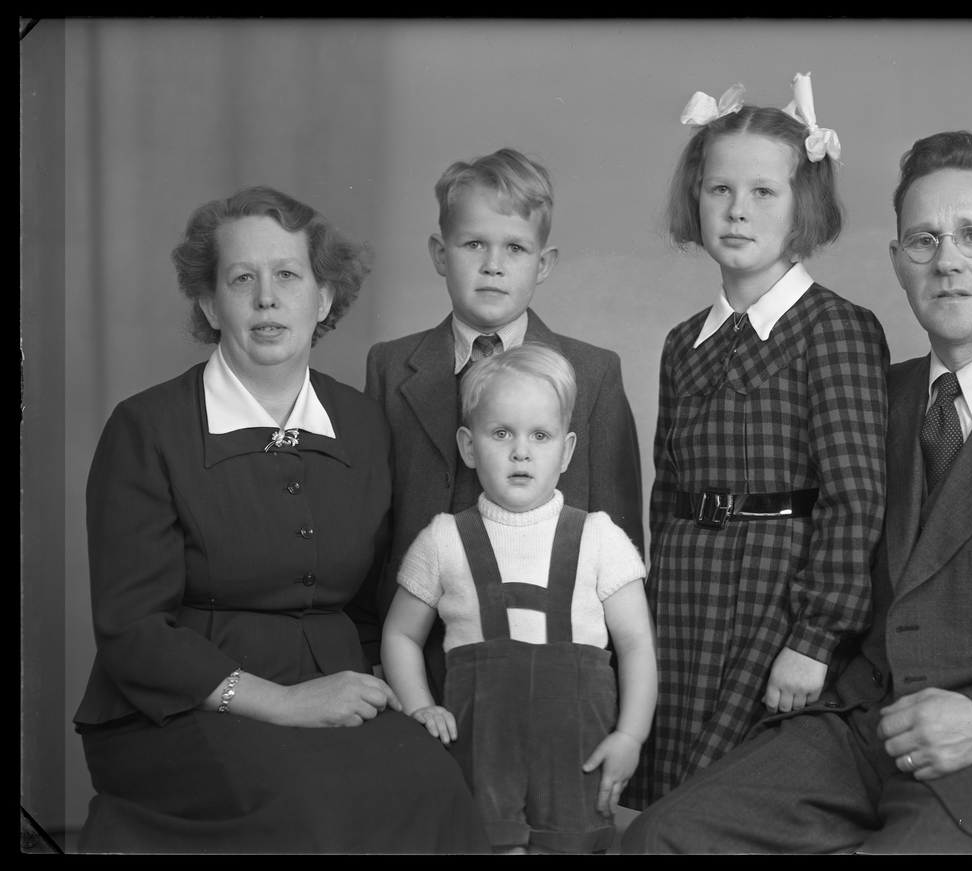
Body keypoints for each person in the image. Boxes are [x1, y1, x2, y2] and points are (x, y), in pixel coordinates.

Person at [624, 131, 972, 853]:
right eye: (924, 240)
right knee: (663, 836)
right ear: (897, 261)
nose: (947, 261)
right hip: (862, 729)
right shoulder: (876, 395)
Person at [73, 186, 490, 853]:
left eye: (288, 275)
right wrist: (287, 703)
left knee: (438, 789)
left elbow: (369, 603)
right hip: (177, 707)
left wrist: (363, 690)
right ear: (210, 304)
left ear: (323, 298)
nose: (267, 299)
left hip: (335, 686)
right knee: (308, 809)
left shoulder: (361, 424)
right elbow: (132, 630)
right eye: (242, 279)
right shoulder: (146, 428)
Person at [627, 74, 888, 808]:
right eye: (720, 190)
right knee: (665, 800)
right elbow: (665, 495)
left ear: (804, 205)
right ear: (696, 198)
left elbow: (855, 499)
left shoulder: (836, 328)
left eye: (764, 193)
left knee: (729, 800)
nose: (737, 210)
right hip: (685, 596)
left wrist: (815, 638)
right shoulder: (683, 342)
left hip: (775, 596)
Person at [365, 147, 644, 701]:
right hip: (416, 662)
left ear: (543, 264)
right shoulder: (391, 367)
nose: (493, 265)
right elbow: (371, 529)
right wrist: (375, 650)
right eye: (474, 244)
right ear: (440, 254)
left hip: (551, 666)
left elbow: (621, 536)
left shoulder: (593, 373)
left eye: (515, 248)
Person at [381, 344, 656, 853]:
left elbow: (637, 644)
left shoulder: (601, 538)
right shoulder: (443, 539)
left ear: (567, 452)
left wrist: (630, 736)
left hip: (577, 758)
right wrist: (420, 707)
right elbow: (399, 633)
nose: (521, 452)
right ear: (468, 446)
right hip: (480, 757)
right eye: (501, 433)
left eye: (540, 435)